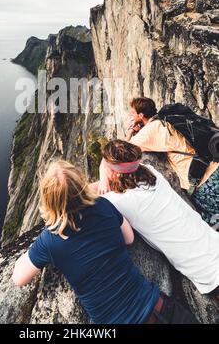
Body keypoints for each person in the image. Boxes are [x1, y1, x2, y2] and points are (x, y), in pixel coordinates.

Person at [12, 160, 198, 324]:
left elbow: (19, 278)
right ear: (81, 184)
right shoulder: (103, 206)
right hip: (158, 308)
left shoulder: (51, 240)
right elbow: (129, 238)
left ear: (49, 201)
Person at [95, 139, 219, 301]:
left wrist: (103, 176)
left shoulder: (118, 201)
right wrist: (106, 170)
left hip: (206, 270)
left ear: (114, 172)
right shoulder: (152, 173)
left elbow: (88, 195)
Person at [125, 97, 219, 226]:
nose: (131, 115)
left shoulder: (151, 130)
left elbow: (124, 149)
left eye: (133, 113)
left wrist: (130, 131)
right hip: (214, 163)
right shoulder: (169, 118)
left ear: (141, 115)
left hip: (205, 181)